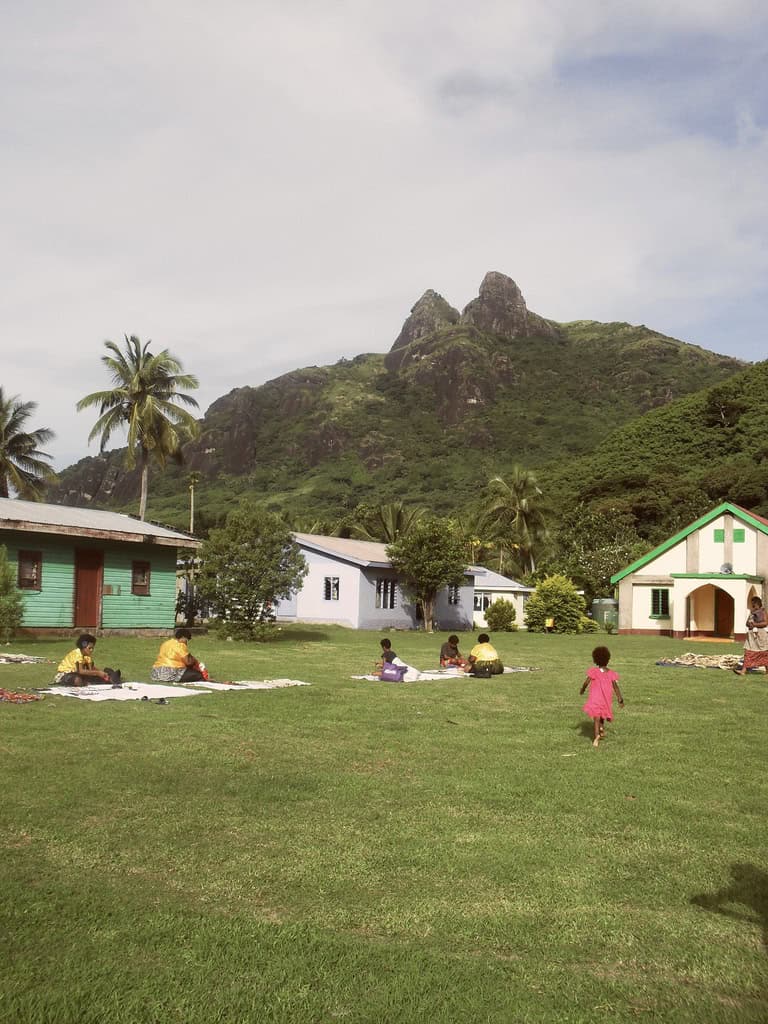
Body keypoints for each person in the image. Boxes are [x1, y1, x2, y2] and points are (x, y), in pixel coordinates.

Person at [580, 646, 624, 747]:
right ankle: (601, 728)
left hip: (595, 698)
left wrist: (582, 689)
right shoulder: (611, 673)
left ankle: (596, 737)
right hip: (606, 698)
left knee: (596, 717)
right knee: (602, 714)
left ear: (595, 659)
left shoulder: (593, 671)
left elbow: (586, 682)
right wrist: (620, 699)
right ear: (607, 659)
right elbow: (616, 687)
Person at [734, 596, 768, 676]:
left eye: (753, 603)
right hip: (751, 637)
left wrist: (755, 624)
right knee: (748, 652)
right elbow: (747, 623)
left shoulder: (763, 612)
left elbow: (765, 623)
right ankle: (743, 671)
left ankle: (767, 671)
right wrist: (749, 624)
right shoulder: (752, 613)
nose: (752, 605)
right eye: (752, 604)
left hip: (760, 636)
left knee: (763, 653)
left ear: (757, 604)